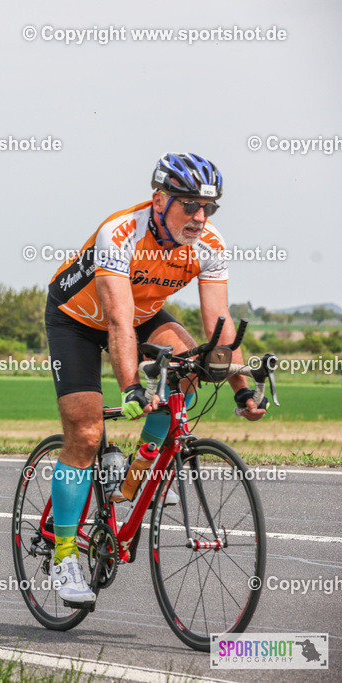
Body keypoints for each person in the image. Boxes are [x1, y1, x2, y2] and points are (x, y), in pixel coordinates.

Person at [44, 153, 266, 604]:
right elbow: (118, 324)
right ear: (159, 199)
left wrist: (241, 387)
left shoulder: (209, 244)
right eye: (189, 204)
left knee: (190, 363)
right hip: (78, 320)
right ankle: (64, 555)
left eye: (209, 207)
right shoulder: (120, 233)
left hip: (142, 313)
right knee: (86, 434)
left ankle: (136, 472)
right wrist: (131, 388)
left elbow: (219, 324)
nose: (200, 217)